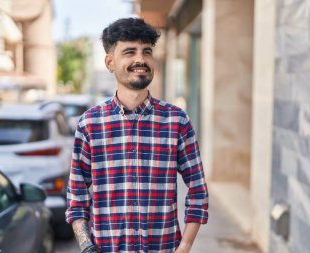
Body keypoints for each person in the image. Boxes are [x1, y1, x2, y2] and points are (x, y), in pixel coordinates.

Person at [65, 18, 209, 253]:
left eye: (147, 52)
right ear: (110, 62)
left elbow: (198, 190)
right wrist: (86, 245)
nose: (140, 60)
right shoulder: (90, 124)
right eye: (129, 52)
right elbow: (77, 195)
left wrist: (185, 246)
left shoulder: (176, 121)